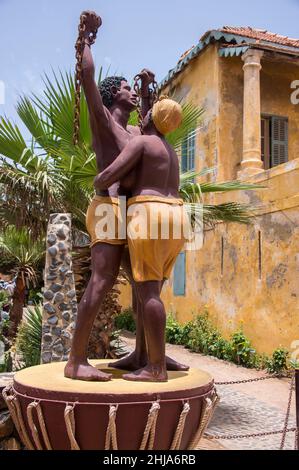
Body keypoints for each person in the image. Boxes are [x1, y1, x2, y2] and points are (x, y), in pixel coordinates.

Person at [65, 11, 187, 381]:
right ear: (113, 94)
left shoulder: (138, 132)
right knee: (101, 281)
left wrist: (149, 89)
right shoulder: (104, 122)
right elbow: (87, 78)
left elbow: (154, 125)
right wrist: (86, 39)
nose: (134, 93)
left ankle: (144, 356)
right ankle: (76, 360)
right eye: (128, 89)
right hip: (108, 209)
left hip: (135, 211)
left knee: (142, 285)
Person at [95, 97, 189, 382]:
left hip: (150, 212)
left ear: (150, 119)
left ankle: (156, 367)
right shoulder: (169, 150)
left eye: (147, 112)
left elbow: (108, 175)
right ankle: (145, 356)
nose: (142, 115)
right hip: (178, 216)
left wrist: (100, 182)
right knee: (153, 292)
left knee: (147, 293)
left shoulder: (142, 142)